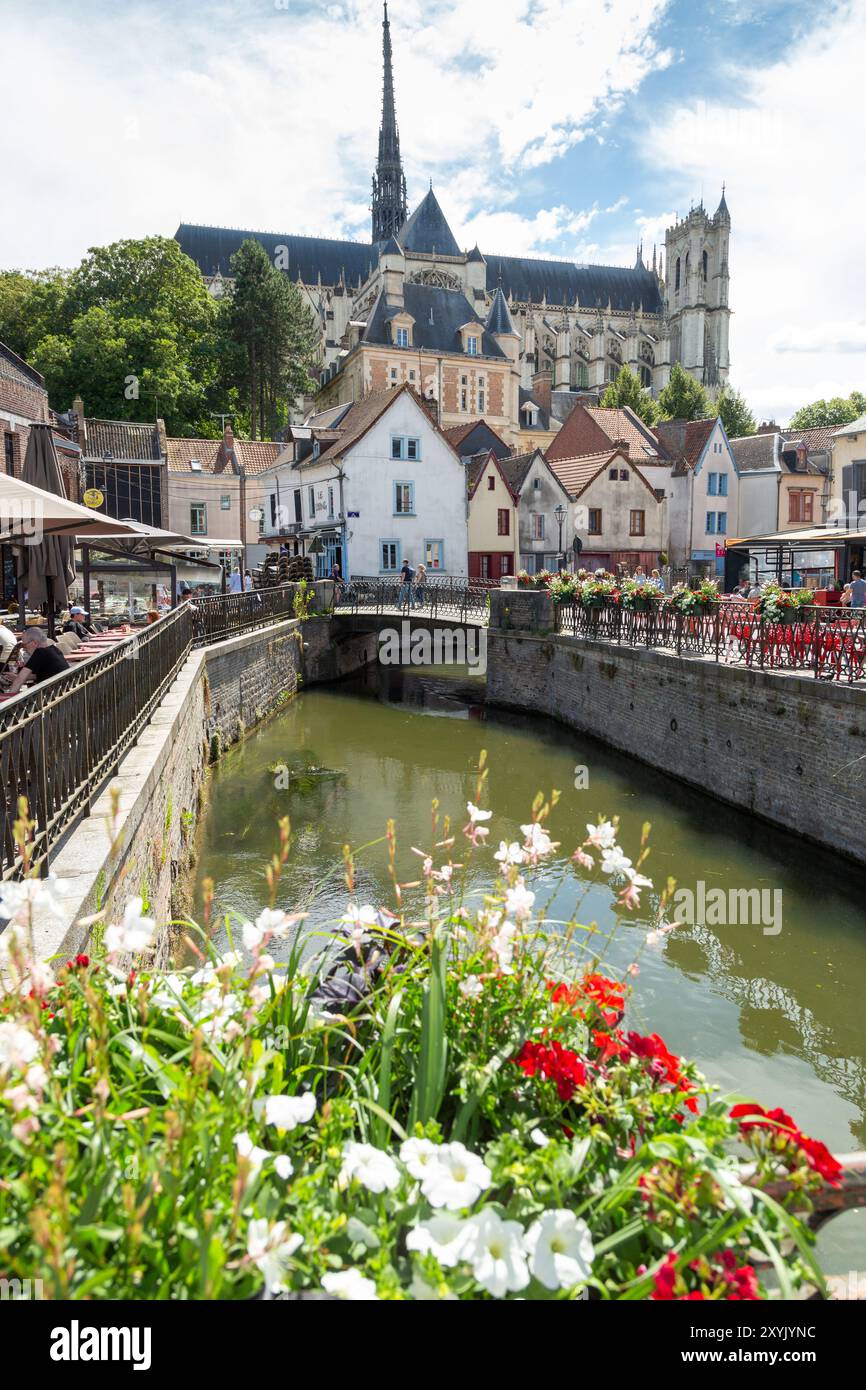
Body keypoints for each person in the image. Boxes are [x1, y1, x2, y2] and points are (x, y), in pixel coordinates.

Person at [6, 628, 69, 693]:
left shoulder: (40, 652)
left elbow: (20, 679)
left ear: (34, 643)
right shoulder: (54, 650)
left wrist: (8, 700)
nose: (24, 649)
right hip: (64, 693)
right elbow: (45, 674)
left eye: (24, 645)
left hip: (52, 696)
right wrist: (17, 677)